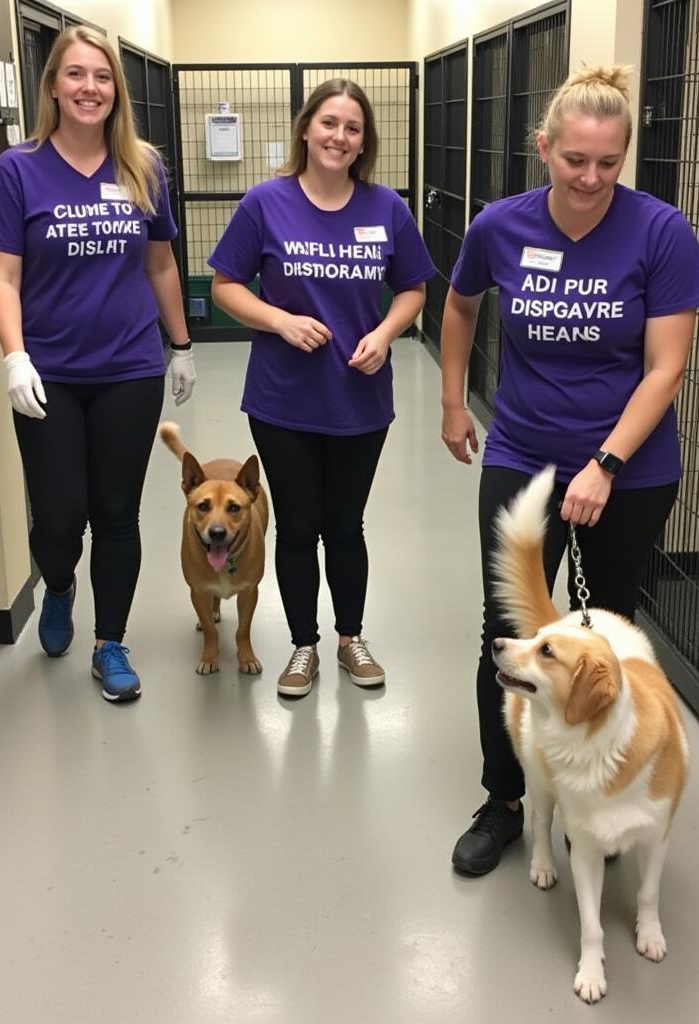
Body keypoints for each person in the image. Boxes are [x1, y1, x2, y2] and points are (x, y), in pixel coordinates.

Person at [439, 65, 699, 873]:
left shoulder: (661, 232)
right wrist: (454, 402)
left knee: (602, 638)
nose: (591, 178)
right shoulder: (500, 225)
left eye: (608, 163)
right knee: (511, 635)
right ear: (545, 150)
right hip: (523, 453)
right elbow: (459, 305)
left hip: (629, 468)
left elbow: (665, 369)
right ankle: (504, 798)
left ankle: (599, 797)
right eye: (575, 162)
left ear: (624, 157)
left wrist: (604, 463)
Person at [0, 26, 196, 703]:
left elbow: (160, 262)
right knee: (62, 515)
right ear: (54, 86)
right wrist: (14, 357)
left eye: (101, 76)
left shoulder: (142, 165)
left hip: (128, 366)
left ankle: (111, 644)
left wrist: (180, 346)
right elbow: (3, 275)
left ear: (115, 90)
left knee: (117, 512)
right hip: (50, 373)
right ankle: (61, 583)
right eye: (75, 75)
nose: (89, 88)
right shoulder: (19, 168)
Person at [208, 79, 435, 698]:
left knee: (346, 524)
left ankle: (350, 638)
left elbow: (414, 288)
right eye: (330, 123)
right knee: (298, 525)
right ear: (306, 128)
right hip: (283, 399)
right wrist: (278, 319)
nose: (340, 137)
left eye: (353, 128)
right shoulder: (265, 203)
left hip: (360, 400)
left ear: (365, 142)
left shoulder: (386, 207)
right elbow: (224, 284)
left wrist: (386, 333)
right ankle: (303, 645)